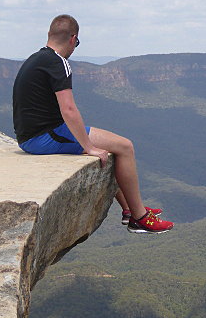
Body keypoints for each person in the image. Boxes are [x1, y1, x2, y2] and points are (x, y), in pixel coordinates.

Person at [12, 14, 173, 234]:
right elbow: (68, 109)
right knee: (125, 147)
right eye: (76, 44)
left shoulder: (36, 58)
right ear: (73, 39)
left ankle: (129, 209)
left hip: (34, 134)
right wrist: (88, 147)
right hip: (43, 137)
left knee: (111, 148)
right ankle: (140, 218)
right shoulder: (59, 63)